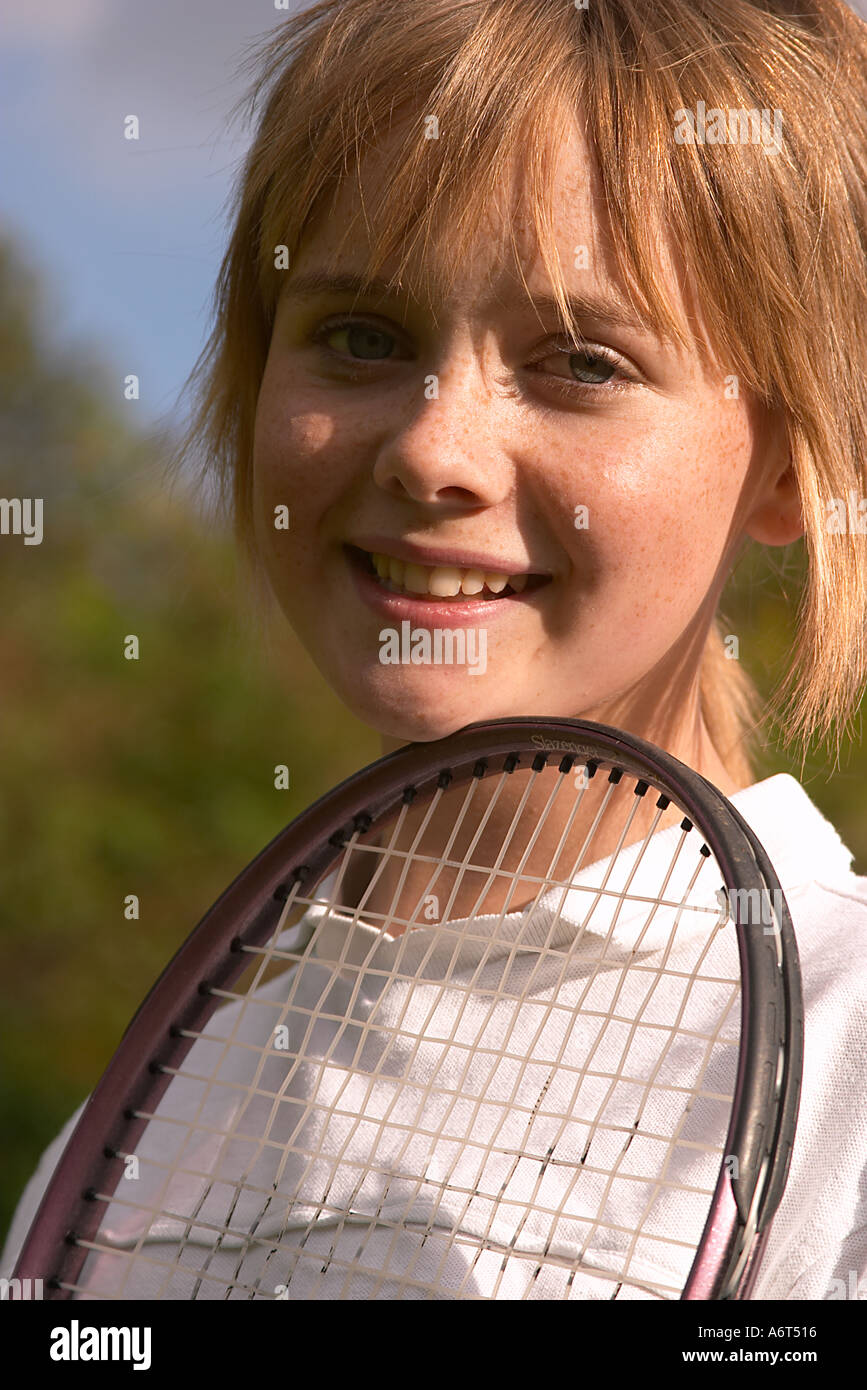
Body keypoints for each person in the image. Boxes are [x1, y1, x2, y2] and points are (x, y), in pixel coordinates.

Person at [4, 0, 867, 1299]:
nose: (430, 449)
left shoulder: (841, 1053)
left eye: (581, 362)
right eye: (362, 338)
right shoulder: (143, 1129)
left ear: (795, 462)